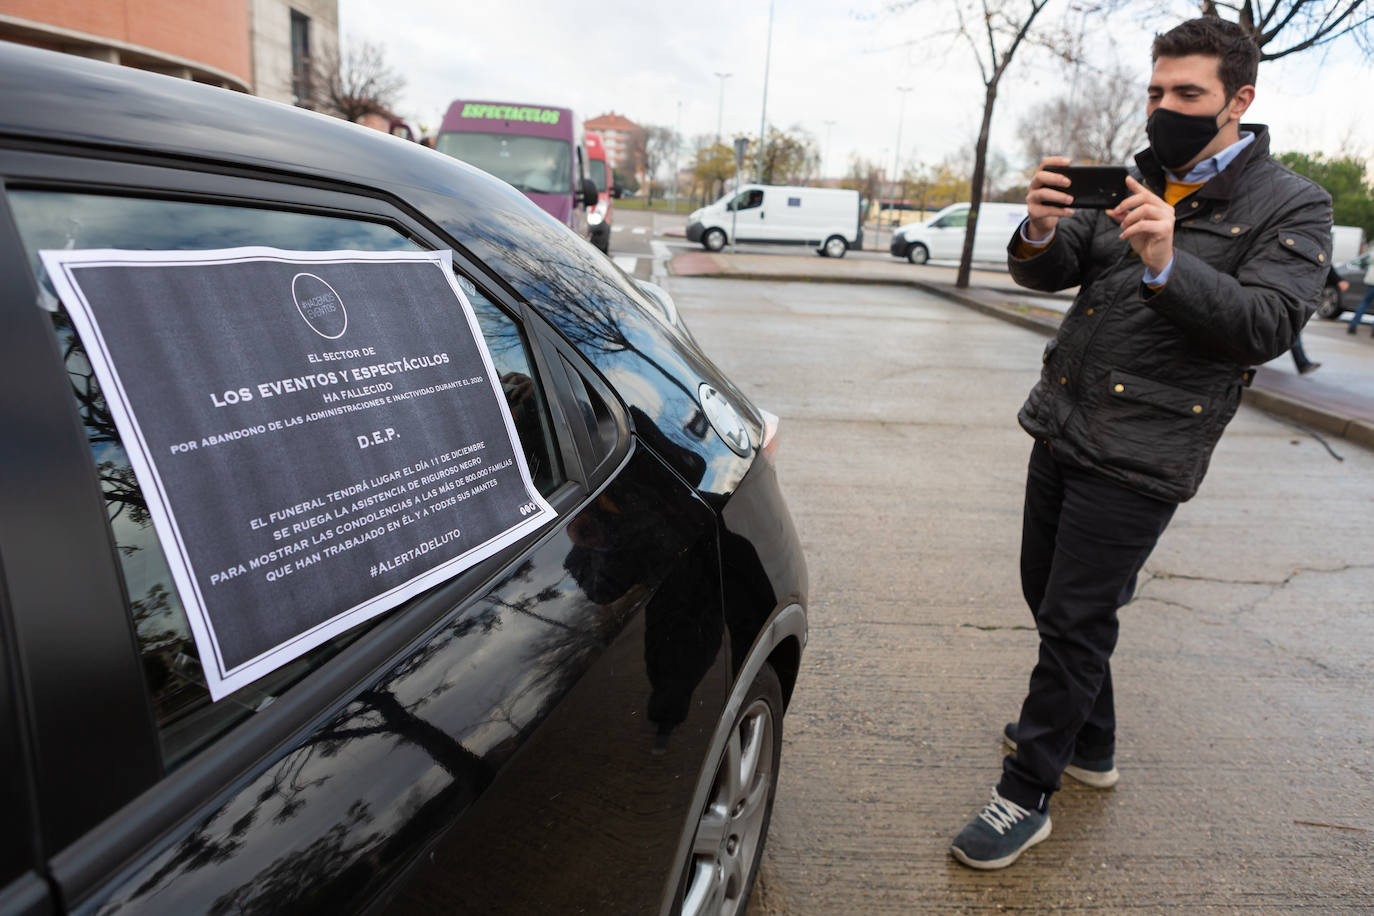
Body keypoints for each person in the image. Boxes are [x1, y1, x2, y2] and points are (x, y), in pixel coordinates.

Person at [950, 17, 1332, 870]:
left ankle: (1028, 792)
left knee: (1075, 618)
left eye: (1187, 95)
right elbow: (1053, 270)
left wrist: (1167, 260)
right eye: (1157, 92)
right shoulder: (1137, 174)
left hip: (1147, 447)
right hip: (1063, 420)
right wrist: (1041, 229)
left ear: (1240, 101)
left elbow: (1266, 325)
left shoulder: (1294, 204)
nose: (1165, 108)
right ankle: (1093, 744)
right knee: (1048, 596)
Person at [1347, 256, 1374, 335]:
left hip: (1371, 281)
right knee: (1365, 302)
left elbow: (1365, 261)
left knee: (1365, 303)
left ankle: (1353, 325)